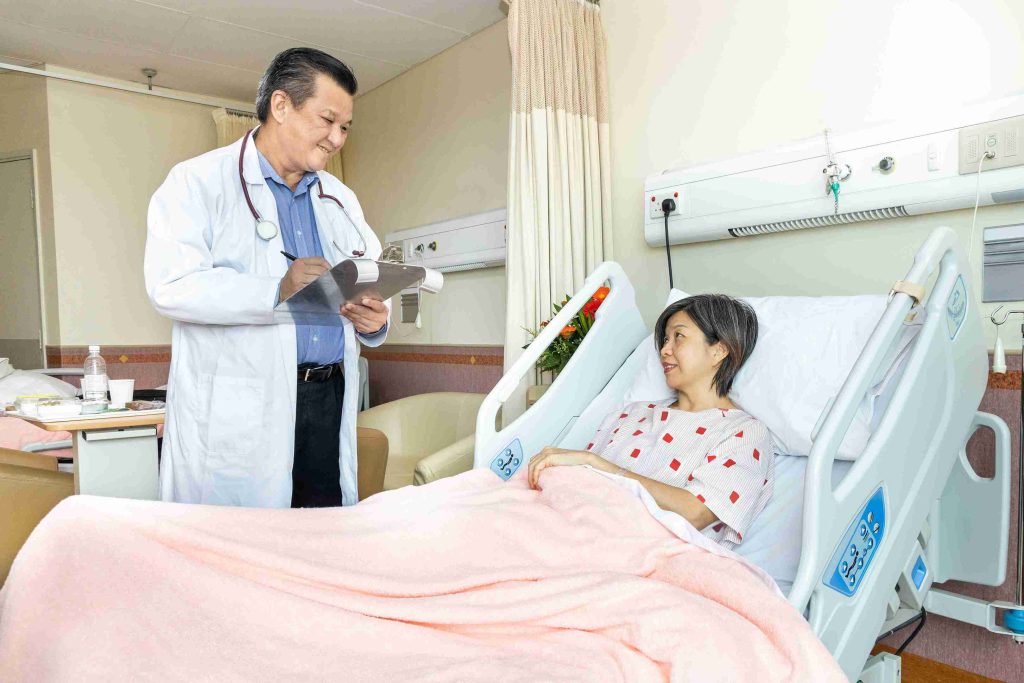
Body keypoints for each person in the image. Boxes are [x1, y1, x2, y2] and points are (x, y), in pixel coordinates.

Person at [145, 48, 389, 509]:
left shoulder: (339, 198)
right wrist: (274, 289)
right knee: (241, 548)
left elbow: (369, 274)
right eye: (328, 120)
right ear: (281, 106)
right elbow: (170, 285)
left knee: (321, 536)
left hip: (329, 396)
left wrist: (375, 320)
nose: (337, 139)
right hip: (242, 405)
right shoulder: (197, 182)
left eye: (345, 128)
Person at [527, 294, 772, 548]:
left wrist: (598, 465)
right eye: (665, 340)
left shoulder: (744, 432)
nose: (665, 350)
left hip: (635, 552)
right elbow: (579, 485)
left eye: (679, 336)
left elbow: (696, 511)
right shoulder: (632, 413)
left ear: (719, 350)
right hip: (564, 527)